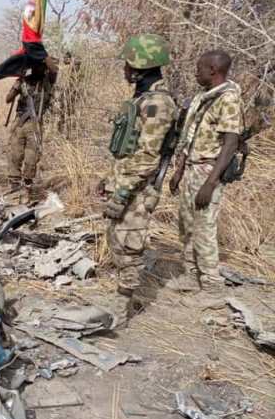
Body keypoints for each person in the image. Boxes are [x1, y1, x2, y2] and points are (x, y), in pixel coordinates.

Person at [101, 34, 177, 304]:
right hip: (125, 182)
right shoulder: (142, 99)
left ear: (141, 66)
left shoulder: (158, 104)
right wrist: (109, 179)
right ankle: (123, 297)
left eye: (128, 65)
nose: (125, 70)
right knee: (118, 242)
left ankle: (123, 306)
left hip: (138, 189)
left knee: (129, 246)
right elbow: (128, 149)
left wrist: (122, 193)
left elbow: (147, 156)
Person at [168, 50, 242, 295]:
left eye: (199, 68)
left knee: (204, 227)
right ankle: (191, 274)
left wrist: (210, 183)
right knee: (187, 223)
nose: (195, 72)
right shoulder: (204, 96)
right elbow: (190, 135)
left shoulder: (228, 98)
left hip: (207, 169)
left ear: (213, 70)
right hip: (191, 167)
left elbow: (231, 142)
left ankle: (211, 285)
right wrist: (179, 170)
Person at [4, 58, 57, 201]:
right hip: (19, 123)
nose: (37, 69)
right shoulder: (24, 81)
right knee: (15, 154)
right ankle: (14, 184)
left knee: (32, 158)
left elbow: (54, 70)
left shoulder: (47, 82)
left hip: (35, 124)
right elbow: (8, 99)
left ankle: (28, 184)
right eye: (35, 66)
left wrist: (41, 54)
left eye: (41, 66)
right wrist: (17, 84)